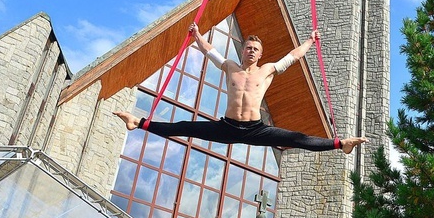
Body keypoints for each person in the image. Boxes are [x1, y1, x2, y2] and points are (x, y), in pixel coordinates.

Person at [114, 22, 368, 154]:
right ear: (243, 50)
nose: (251, 51)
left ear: (260, 54)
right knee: (184, 127)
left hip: (256, 130)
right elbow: (208, 51)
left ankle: (340, 144)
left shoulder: (267, 70)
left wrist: (311, 41)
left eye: (255, 49)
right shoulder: (230, 66)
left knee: (296, 139)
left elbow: (293, 56)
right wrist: (197, 35)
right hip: (226, 126)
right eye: (248, 47)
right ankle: (138, 123)